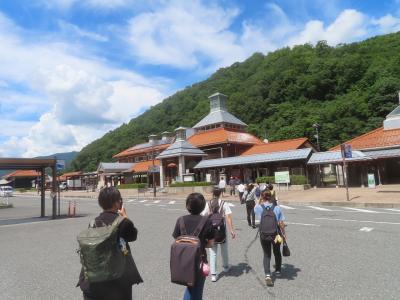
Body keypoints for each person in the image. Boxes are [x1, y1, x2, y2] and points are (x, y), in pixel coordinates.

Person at [77, 187, 143, 300]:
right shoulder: (123, 222)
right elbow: (133, 236)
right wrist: (125, 216)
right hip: (117, 282)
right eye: (120, 200)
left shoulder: (93, 222)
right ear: (117, 203)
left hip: (93, 279)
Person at [172, 193, 215, 300]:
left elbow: (177, 239)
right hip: (199, 262)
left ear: (187, 206)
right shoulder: (207, 221)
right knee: (197, 290)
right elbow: (211, 244)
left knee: (190, 287)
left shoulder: (180, 220)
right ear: (203, 206)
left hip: (182, 260)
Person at [201, 188, 236, 282]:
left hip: (211, 231)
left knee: (213, 252)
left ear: (213, 194)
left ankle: (214, 274)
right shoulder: (224, 203)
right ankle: (225, 267)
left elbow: (203, 216)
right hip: (221, 230)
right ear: (220, 193)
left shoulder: (208, 204)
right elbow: (228, 217)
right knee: (224, 249)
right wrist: (232, 230)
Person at [254, 190, 286, 287]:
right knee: (277, 252)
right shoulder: (277, 208)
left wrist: (259, 200)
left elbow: (255, 208)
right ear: (271, 197)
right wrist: (284, 233)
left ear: (262, 197)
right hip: (275, 234)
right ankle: (278, 271)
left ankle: (268, 275)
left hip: (264, 235)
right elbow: (281, 223)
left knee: (267, 254)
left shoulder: (259, 208)